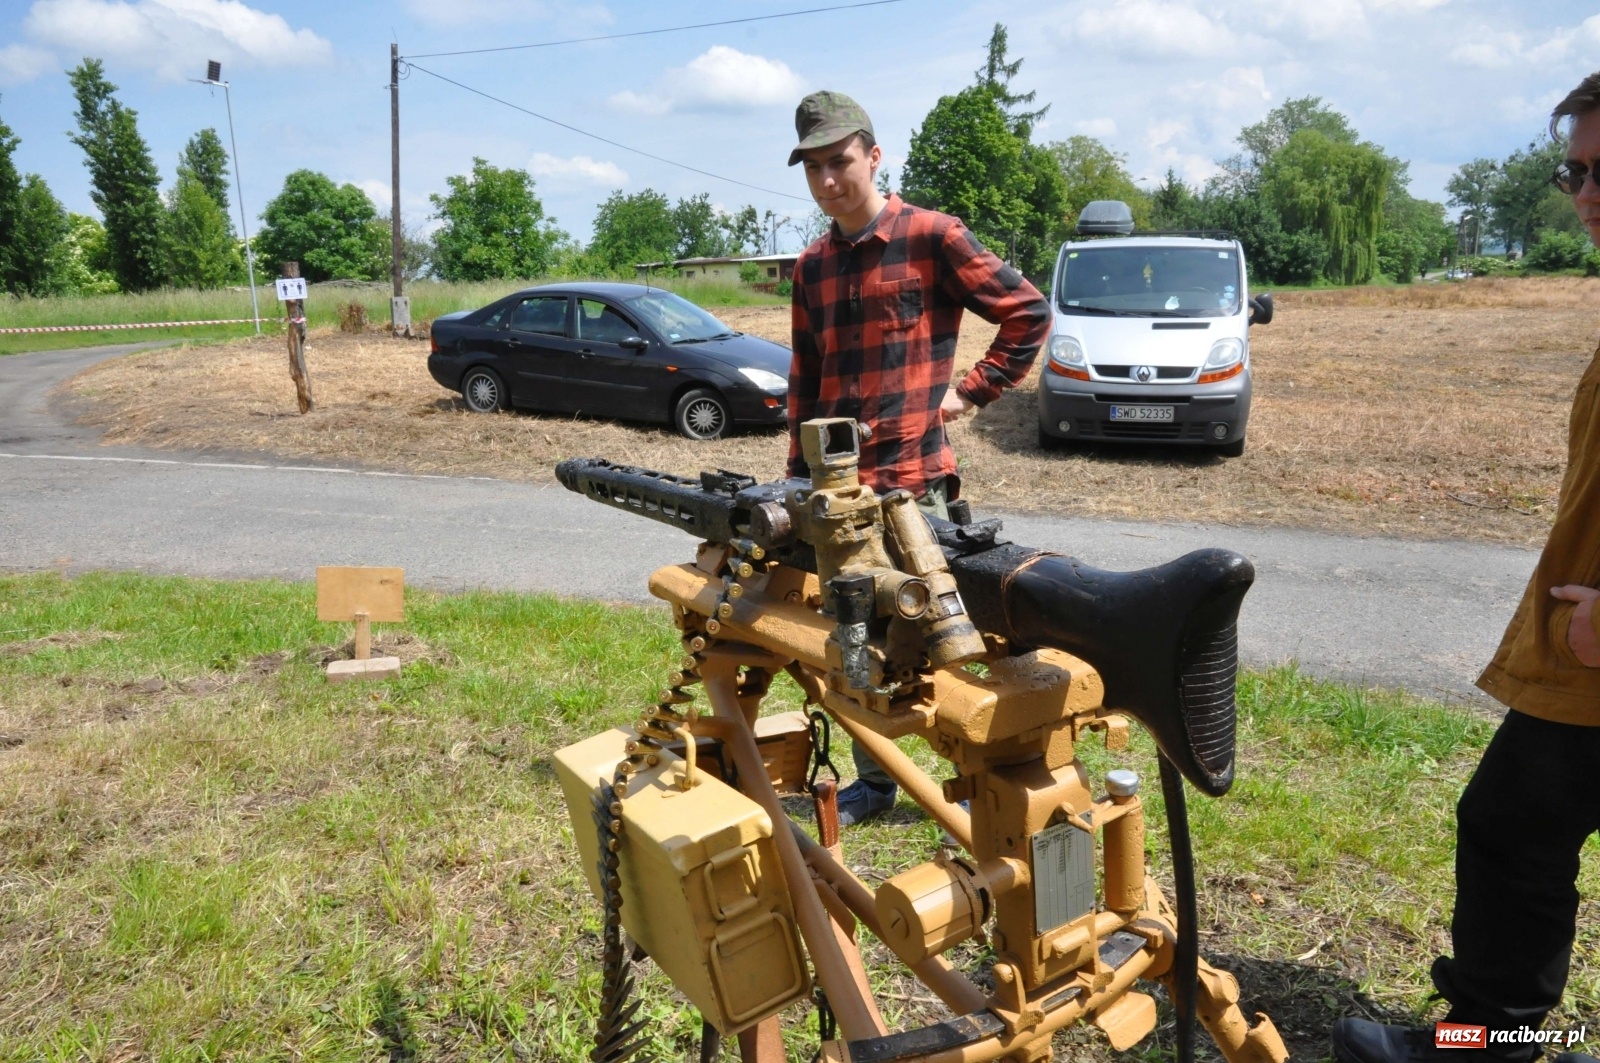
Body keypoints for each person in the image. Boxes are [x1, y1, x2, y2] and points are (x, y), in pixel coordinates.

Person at [1331, 73, 1600, 1063]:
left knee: (1508, 825)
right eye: (1574, 169)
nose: (1583, 191)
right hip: (1581, 668)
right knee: (1510, 825)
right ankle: (1489, 1038)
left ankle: (1485, 1041)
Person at [784, 90, 1051, 825]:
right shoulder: (810, 268)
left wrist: (973, 390)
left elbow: (1027, 312)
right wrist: (796, 476)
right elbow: (805, 379)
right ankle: (877, 777)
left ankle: (983, 766)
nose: (828, 180)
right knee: (850, 635)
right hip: (837, 494)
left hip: (914, 487)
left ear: (873, 156)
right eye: (812, 168)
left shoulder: (932, 237)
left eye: (839, 161)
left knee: (943, 634)